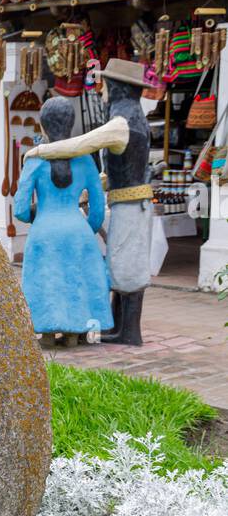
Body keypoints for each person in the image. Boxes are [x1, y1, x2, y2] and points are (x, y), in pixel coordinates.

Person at [13, 96, 114, 348]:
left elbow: (21, 209)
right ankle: (74, 334)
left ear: (43, 125)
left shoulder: (34, 160)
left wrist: (41, 217)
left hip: (44, 230)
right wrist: (84, 229)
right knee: (76, 280)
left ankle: (46, 333)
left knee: (46, 280)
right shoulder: (85, 159)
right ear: (71, 124)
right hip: (77, 229)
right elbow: (98, 209)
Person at [99, 59, 153, 347]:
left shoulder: (123, 121)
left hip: (131, 204)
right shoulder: (131, 117)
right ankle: (120, 326)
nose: (102, 92)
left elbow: (86, 142)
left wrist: (44, 150)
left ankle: (129, 331)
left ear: (116, 87)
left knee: (126, 265)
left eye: (106, 85)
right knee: (121, 262)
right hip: (129, 201)